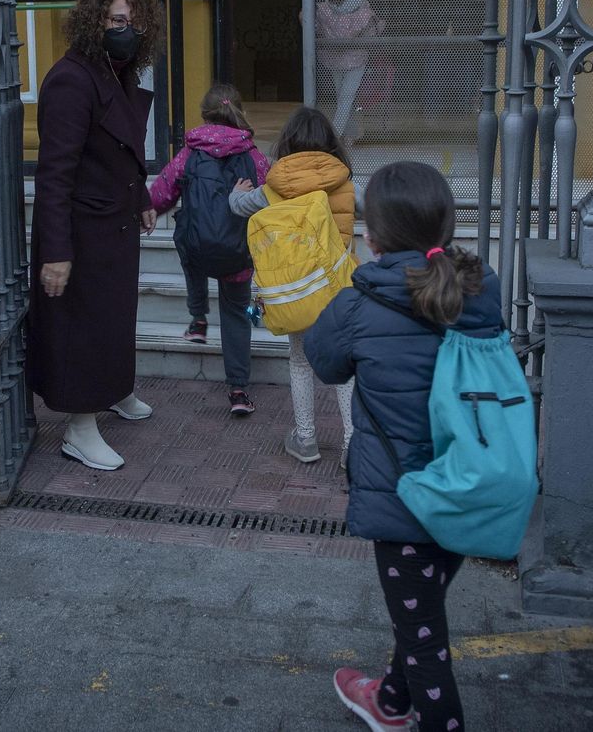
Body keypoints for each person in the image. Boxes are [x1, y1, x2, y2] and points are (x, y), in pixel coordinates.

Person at [305, 161, 502, 732]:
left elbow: (325, 364)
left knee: (426, 645)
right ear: (447, 227)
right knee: (420, 615)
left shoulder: (358, 302)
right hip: (468, 482)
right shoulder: (480, 290)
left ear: (371, 237)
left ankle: (424, 716)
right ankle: (389, 702)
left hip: (404, 501)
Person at [28, 0, 165, 472]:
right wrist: (57, 252)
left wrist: (145, 194)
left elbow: (122, 150)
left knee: (114, 317)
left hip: (115, 222)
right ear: (95, 24)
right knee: (83, 327)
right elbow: (55, 174)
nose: (128, 31)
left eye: (134, 22)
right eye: (117, 22)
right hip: (81, 230)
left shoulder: (118, 71)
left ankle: (114, 391)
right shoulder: (71, 79)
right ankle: (79, 428)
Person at [229, 107, 357, 465]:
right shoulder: (346, 183)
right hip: (338, 290)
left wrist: (234, 193)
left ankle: (306, 440)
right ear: (330, 143)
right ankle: (351, 446)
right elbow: (381, 206)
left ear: (288, 143)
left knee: (301, 362)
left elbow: (240, 207)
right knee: (344, 366)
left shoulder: (274, 187)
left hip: (297, 291)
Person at [148, 83, 271, 418]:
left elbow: (161, 194)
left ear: (204, 114)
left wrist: (144, 211)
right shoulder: (253, 156)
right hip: (238, 254)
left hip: (198, 249)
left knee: (185, 241)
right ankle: (238, 390)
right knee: (237, 314)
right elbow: (273, 193)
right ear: (238, 111)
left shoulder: (189, 153)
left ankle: (198, 318)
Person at [315, 0, 384, 146]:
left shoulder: (325, 10)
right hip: (348, 58)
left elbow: (317, 28)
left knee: (345, 97)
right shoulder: (360, 8)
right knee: (345, 97)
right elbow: (373, 31)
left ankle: (336, 135)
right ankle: (348, 135)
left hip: (343, 58)